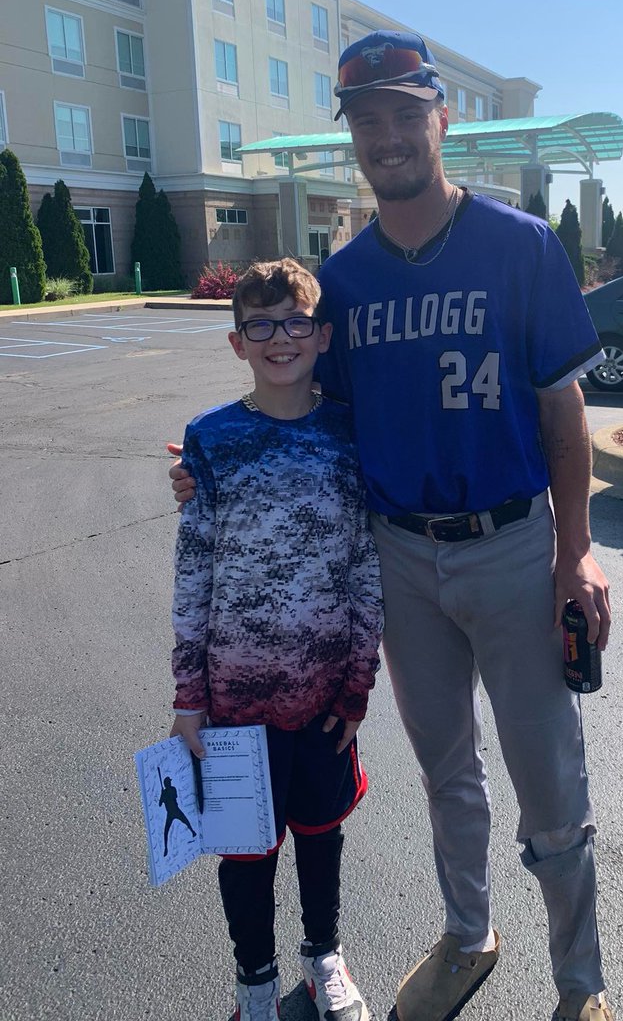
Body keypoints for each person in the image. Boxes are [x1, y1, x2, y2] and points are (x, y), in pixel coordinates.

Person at [171, 31, 614, 1021]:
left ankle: (581, 989)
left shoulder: (521, 245)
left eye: (405, 115)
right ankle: (469, 936)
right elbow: (304, 417)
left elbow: (561, 409)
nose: (387, 136)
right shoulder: (347, 280)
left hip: (509, 546)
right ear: (354, 138)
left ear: (440, 120)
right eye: (366, 121)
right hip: (399, 557)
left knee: (551, 780)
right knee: (446, 770)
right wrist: (215, 472)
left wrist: (575, 551)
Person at [169, 258, 383, 1021]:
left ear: (322, 335)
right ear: (237, 344)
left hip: (324, 697)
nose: (279, 339)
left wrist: (358, 686)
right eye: (259, 326)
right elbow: (193, 573)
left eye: (295, 323)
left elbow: (365, 566)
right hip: (234, 701)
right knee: (247, 853)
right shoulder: (211, 440)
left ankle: (324, 957)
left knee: (320, 838)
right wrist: (188, 700)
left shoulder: (350, 434)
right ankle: (254, 982)